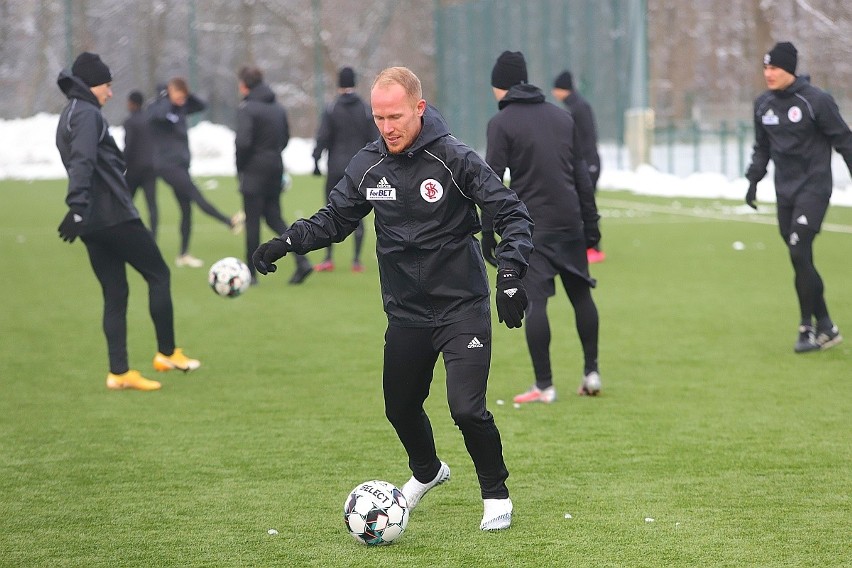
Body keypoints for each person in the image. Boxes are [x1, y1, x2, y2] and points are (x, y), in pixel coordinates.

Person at [253, 67, 533, 531]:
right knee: (399, 407)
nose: (387, 127)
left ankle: (495, 494)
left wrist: (508, 274)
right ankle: (427, 471)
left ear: (419, 109)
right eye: (379, 118)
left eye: (396, 116)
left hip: (461, 306)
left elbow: (511, 212)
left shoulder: (454, 159)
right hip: (406, 311)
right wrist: (286, 242)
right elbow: (335, 219)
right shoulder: (368, 165)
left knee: (466, 408)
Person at [56, 52, 200, 391]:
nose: (109, 93)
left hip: (92, 222)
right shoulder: (88, 114)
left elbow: (88, 160)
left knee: (115, 292)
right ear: (93, 85)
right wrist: (76, 204)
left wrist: (82, 209)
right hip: (113, 215)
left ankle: (118, 372)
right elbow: (82, 160)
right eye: (107, 86)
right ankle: (167, 353)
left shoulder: (69, 114)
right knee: (159, 274)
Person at [483, 51, 602, 402]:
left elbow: (490, 183)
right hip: (570, 223)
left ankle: (545, 385)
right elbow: (580, 175)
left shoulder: (500, 124)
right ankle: (591, 372)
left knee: (536, 303)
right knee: (581, 296)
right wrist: (591, 225)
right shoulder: (562, 118)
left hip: (531, 227)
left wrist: (487, 233)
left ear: (499, 86)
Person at [745, 41, 850, 353]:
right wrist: (753, 181)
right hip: (785, 193)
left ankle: (807, 328)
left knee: (797, 250)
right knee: (800, 258)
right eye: (765, 67)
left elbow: (845, 141)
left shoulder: (816, 101)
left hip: (814, 189)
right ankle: (826, 325)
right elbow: (762, 147)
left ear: (789, 69)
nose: (769, 73)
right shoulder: (763, 105)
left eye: (774, 67)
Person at [148, 77, 244, 268]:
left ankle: (183, 254)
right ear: (169, 92)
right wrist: (166, 98)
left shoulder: (180, 107)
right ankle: (229, 221)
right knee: (195, 195)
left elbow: (201, 105)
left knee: (186, 208)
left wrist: (185, 96)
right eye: (179, 96)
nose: (182, 101)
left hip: (181, 165)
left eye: (184, 97)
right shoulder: (160, 106)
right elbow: (155, 116)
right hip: (167, 166)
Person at [235, 65, 312, 285]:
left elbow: (242, 142)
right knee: (274, 217)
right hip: (275, 167)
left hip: (254, 170)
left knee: (252, 223)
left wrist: (241, 168)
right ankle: (302, 260)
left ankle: (250, 274)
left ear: (244, 85)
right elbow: (285, 138)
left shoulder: (247, 108)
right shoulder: (277, 108)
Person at [311, 66, 379, 273]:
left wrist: (315, 160)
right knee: (358, 212)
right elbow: (374, 139)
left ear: (339, 84)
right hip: (359, 169)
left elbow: (323, 136)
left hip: (335, 168)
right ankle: (356, 261)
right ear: (354, 83)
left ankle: (328, 258)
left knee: (330, 211)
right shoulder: (366, 109)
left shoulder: (332, 108)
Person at [552, 69, 604, 264]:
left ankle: (593, 248)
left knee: (585, 205)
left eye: (556, 88)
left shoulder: (578, 107)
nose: (553, 92)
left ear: (563, 89)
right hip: (581, 162)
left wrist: (586, 163)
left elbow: (587, 139)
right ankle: (583, 246)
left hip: (588, 163)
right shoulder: (572, 106)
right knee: (576, 205)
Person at [123, 90, 158, 237]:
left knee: (125, 202)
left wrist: (121, 165)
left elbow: (129, 146)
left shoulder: (130, 122)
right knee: (152, 204)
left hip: (134, 169)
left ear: (131, 103)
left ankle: (126, 231)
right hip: (151, 167)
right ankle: (154, 235)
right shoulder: (150, 120)